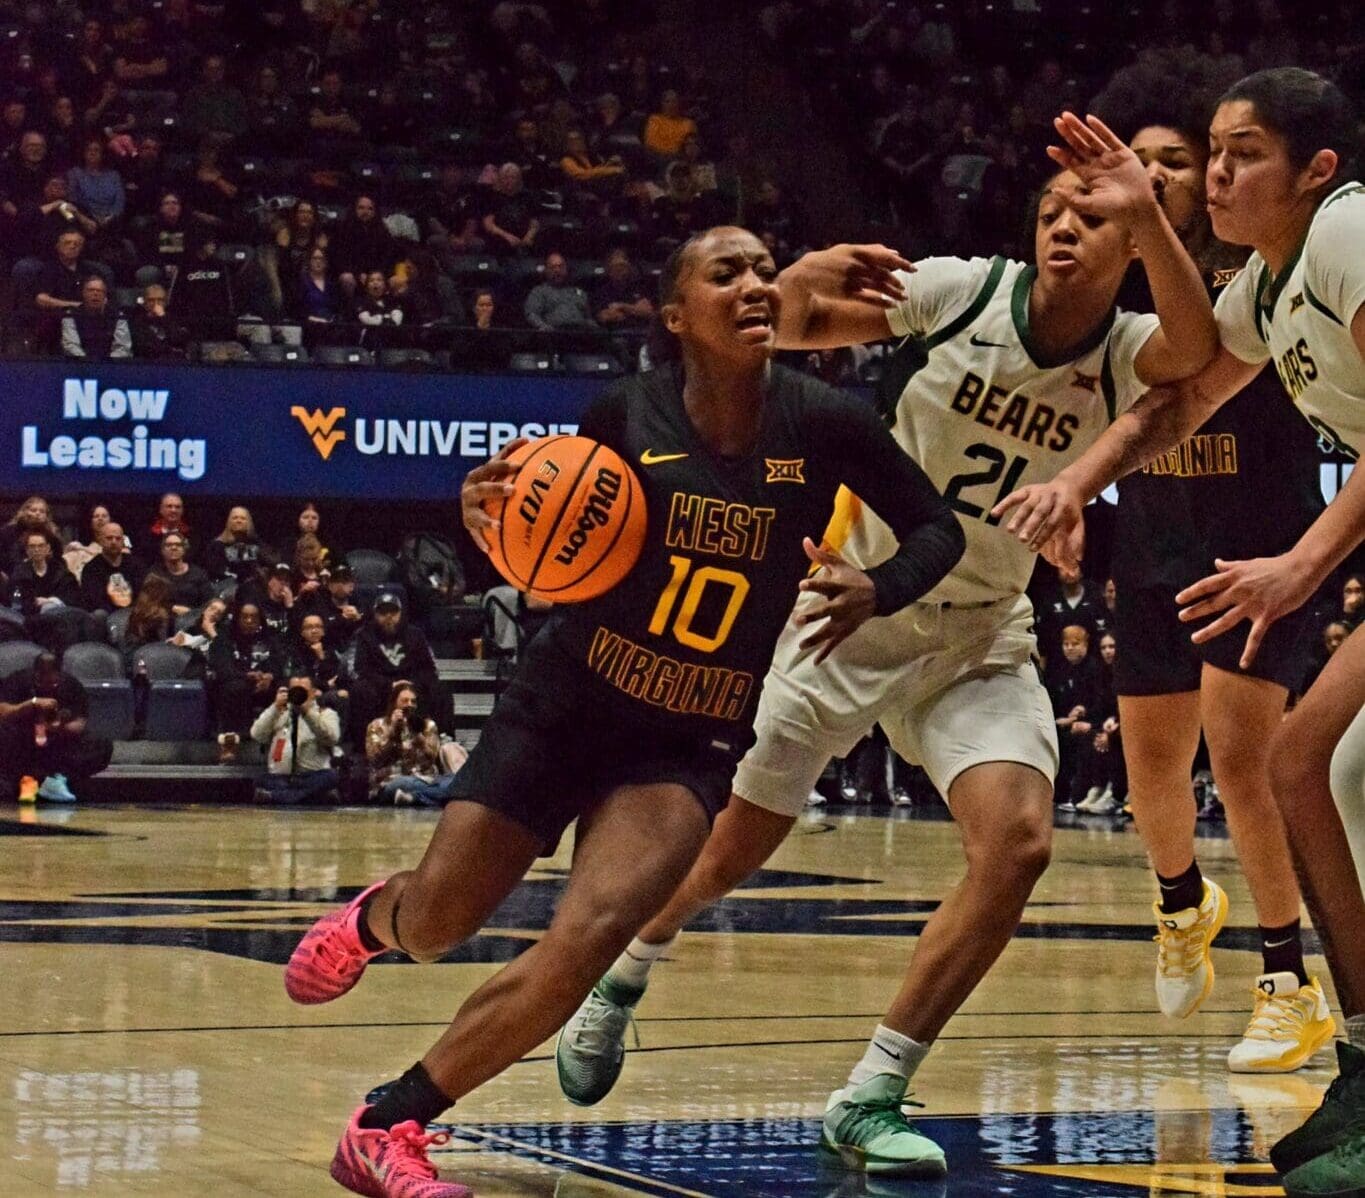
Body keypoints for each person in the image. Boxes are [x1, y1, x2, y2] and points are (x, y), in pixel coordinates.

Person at [556, 154, 1219, 1177]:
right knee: (727, 850)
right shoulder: (964, 293)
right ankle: (627, 970)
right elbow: (801, 319)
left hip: (979, 632)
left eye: (1092, 219)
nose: (1062, 228)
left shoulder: (1134, 349)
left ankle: (874, 1089)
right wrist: (809, 273)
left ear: (1132, 241)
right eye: (1050, 210)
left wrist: (1150, 219)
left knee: (1020, 843)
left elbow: (1198, 343)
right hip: (848, 607)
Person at [283, 226, 964, 1198]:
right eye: (727, 271)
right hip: (570, 701)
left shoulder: (826, 422)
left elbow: (939, 524)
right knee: (439, 922)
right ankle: (377, 919)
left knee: (588, 937)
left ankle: (388, 1124)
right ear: (678, 314)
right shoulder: (620, 412)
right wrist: (491, 515)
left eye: (766, 269)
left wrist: (880, 585)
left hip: (690, 734)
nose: (758, 284)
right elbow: (539, 527)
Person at [992, 71, 1365, 1194]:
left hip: (1296, 552)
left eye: (1244, 152)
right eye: (1210, 150)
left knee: (1299, 764)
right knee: (1310, 767)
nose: (1217, 171)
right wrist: (1077, 480)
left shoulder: (1349, 234)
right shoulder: (1268, 287)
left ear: (1316, 172)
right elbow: (1181, 399)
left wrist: (1303, 562)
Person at [1056, 65, 1337, 1071]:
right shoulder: (1141, 298)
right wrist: (1073, 487)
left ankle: (1286, 979)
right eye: (1165, 160)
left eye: (1194, 158)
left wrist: (1302, 560)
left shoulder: (1278, 269)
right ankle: (1185, 905)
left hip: (1261, 543)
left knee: (1256, 760)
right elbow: (1141, 407)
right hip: (1158, 548)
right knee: (1155, 777)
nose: (1181, 174)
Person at [0, 651, 112, 803]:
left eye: (52, 682)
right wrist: (30, 705)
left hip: (57, 741)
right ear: (35, 674)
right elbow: (3, 711)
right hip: (23, 739)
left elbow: (80, 722)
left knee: (101, 745)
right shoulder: (18, 680)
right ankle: (25, 780)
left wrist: (57, 727)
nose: (47, 684)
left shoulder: (71, 685)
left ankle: (55, 780)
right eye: (41, 680)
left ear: (59, 674)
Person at [349, 591, 439, 739]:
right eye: (383, 612)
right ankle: (364, 742)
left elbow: (429, 667)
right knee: (360, 690)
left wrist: (410, 685)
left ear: (400, 614)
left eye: (393, 611)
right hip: (379, 684)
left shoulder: (415, 634)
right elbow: (359, 669)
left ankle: (440, 738)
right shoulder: (364, 634)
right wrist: (389, 684)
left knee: (439, 690)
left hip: (411, 681)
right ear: (375, 614)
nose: (388, 616)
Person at [250, 674, 341, 805]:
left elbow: (332, 738)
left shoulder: (325, 714)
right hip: (280, 777)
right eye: (294, 690)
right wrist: (275, 707)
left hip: (311, 776)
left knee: (330, 777)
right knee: (260, 779)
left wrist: (307, 713)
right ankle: (313, 797)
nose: (298, 694)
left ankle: (274, 797)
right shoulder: (278, 713)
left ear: (314, 693)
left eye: (302, 691)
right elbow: (256, 734)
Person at [210, 601, 284, 760]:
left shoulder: (270, 639)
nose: (249, 621)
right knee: (234, 688)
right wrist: (248, 677)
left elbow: (279, 666)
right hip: (236, 683)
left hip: (265, 685)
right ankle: (230, 744)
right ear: (237, 618)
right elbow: (223, 669)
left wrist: (269, 677)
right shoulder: (224, 639)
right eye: (245, 617)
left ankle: (285, 745)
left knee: (286, 689)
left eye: (253, 617)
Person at [365, 681, 458, 806]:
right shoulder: (377, 725)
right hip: (391, 781)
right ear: (394, 703)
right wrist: (393, 732)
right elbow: (374, 759)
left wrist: (419, 737)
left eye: (413, 701)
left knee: (454, 781)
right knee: (403, 783)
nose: (409, 705)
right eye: (404, 701)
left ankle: (413, 797)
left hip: (426, 779)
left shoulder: (428, 726)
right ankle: (432, 795)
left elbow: (432, 757)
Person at [79, 521, 145, 614]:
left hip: (134, 614)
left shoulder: (135, 565)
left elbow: (143, 594)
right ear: (101, 541)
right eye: (109, 538)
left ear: (123, 541)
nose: (114, 542)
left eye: (118, 538)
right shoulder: (91, 568)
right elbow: (94, 602)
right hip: (106, 616)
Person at [61, 275, 132, 360]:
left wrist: (107, 364)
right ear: (83, 293)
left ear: (105, 296)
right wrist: (89, 363)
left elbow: (122, 347)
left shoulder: (118, 316)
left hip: (111, 367)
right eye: (90, 290)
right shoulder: (71, 315)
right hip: (81, 366)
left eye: (100, 291)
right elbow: (70, 345)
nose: (95, 294)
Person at [523, 251, 597, 332]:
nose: (557, 270)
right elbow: (531, 314)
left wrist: (593, 326)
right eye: (552, 267)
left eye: (560, 266)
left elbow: (588, 317)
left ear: (566, 269)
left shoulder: (579, 292)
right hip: (554, 334)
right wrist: (543, 326)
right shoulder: (539, 291)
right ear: (546, 270)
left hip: (580, 333)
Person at [203, 507, 273, 586]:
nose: (239, 521)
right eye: (235, 518)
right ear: (229, 522)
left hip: (254, 587)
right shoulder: (216, 546)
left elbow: (271, 561)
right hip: (226, 588)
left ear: (248, 522)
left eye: (243, 518)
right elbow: (215, 572)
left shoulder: (256, 543)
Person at [148, 531, 212, 615]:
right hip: (162, 619)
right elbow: (148, 602)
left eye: (178, 545)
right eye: (169, 545)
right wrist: (172, 608)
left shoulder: (198, 573)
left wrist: (193, 613)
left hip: (194, 619)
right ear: (162, 550)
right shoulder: (155, 573)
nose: (174, 547)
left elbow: (208, 601)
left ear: (184, 549)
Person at [1, 496, 64, 569]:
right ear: (24, 512)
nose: (38, 513)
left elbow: (58, 558)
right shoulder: (8, 532)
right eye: (33, 510)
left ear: (46, 516)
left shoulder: (52, 535)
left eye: (42, 511)